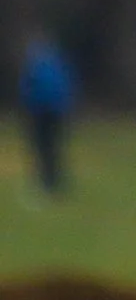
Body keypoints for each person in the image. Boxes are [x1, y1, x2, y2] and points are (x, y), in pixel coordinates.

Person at [18, 34, 77, 196]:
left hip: (39, 112)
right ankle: (56, 181)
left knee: (42, 148)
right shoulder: (59, 65)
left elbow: (26, 89)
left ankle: (46, 182)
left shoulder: (34, 67)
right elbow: (68, 87)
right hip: (57, 112)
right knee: (54, 147)